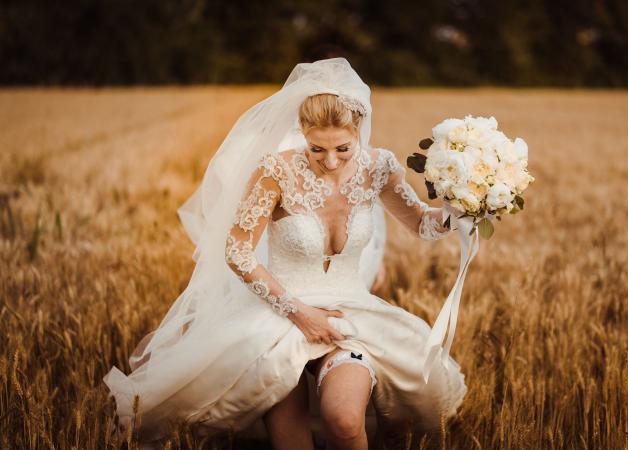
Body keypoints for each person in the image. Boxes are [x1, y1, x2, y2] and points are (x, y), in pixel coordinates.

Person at [103, 57, 467, 449]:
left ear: (359, 129)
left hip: (349, 316)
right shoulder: (276, 171)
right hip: (276, 316)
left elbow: (421, 224)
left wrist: (462, 210)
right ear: (302, 132)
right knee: (291, 443)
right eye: (317, 149)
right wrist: (300, 313)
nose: (330, 161)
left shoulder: (379, 168)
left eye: (343, 148)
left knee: (344, 422)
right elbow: (237, 250)